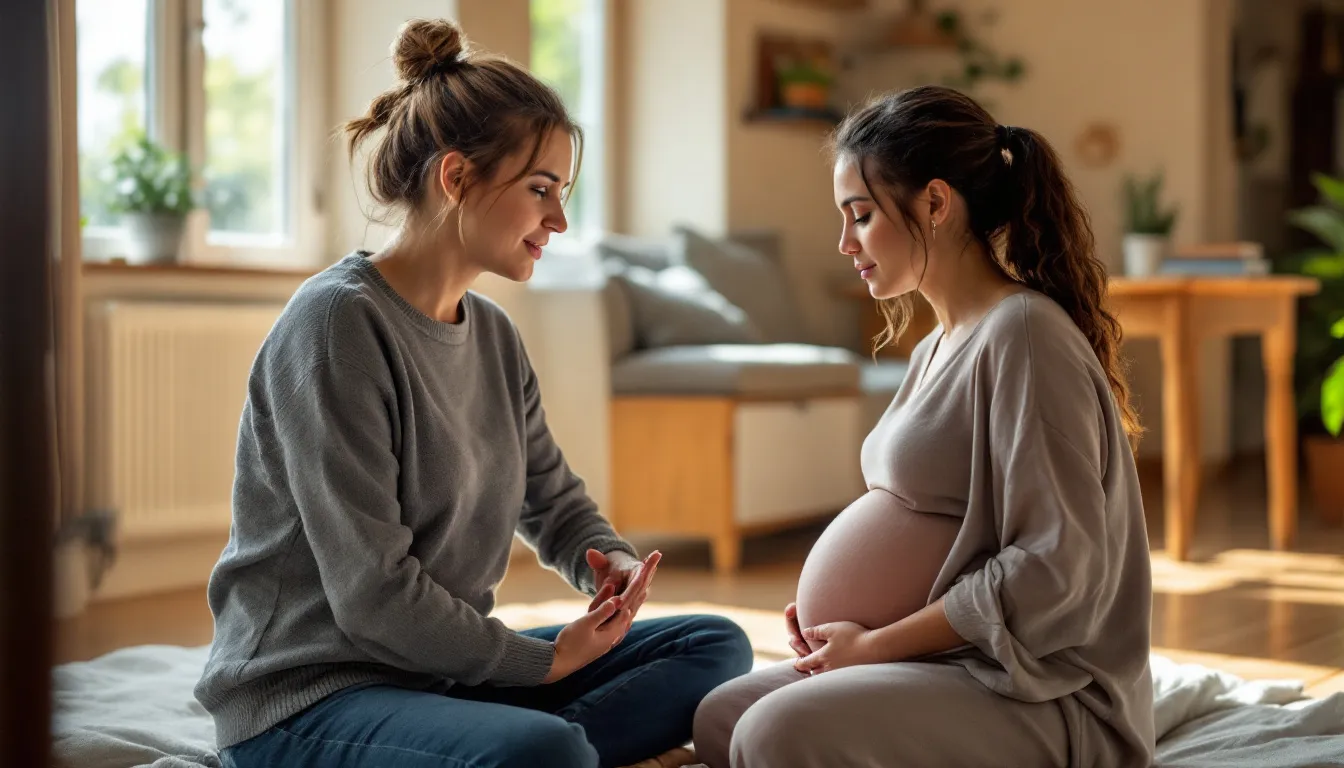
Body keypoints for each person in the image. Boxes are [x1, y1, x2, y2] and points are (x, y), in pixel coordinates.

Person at [194, 18, 753, 768]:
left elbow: (549, 497)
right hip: (309, 699)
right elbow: (372, 594)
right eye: (541, 190)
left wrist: (610, 561)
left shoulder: (491, 333)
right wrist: (544, 666)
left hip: (436, 680)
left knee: (712, 646)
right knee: (544, 751)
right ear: (455, 178)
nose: (558, 219)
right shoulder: (335, 325)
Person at [691, 85, 1155, 767]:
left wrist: (877, 644)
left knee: (772, 734)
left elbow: (1058, 568)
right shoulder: (940, 341)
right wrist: (845, 619)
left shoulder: (1023, 335)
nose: (844, 242)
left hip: (1045, 692)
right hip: (954, 659)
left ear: (936, 203)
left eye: (861, 215)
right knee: (723, 716)